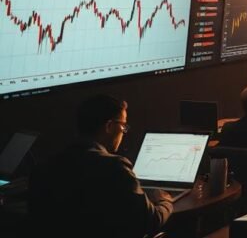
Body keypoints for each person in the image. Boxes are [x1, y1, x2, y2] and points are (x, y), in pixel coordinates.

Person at [29, 94, 173, 238]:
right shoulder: (115, 167)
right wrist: (165, 201)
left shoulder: (46, 165)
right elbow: (151, 221)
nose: (124, 132)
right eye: (123, 126)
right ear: (109, 126)